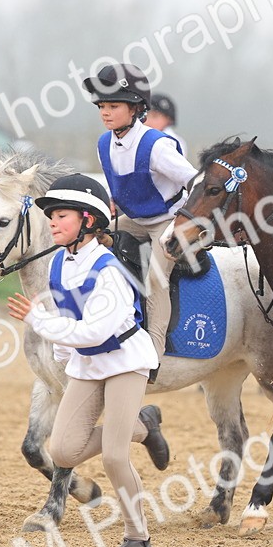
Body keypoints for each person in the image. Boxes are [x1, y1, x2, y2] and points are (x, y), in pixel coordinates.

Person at [6, 173, 171, 547]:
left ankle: (137, 538)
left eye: (62, 215)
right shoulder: (60, 264)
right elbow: (71, 324)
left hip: (125, 361)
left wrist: (38, 321)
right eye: (51, 216)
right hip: (88, 361)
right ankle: (142, 426)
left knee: (114, 456)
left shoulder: (109, 270)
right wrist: (64, 360)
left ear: (89, 221)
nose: (52, 222)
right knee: (63, 451)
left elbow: (96, 330)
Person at [82, 64, 198, 382]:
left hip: (168, 220)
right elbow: (118, 193)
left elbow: (196, 182)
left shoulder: (157, 145)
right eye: (102, 106)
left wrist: (186, 224)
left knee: (155, 278)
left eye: (113, 106)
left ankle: (153, 356)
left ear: (135, 108)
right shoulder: (103, 143)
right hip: (133, 219)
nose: (105, 113)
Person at [145, 92, 188, 159]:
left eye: (154, 116)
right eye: (145, 115)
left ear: (169, 119)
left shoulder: (173, 142)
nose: (147, 121)